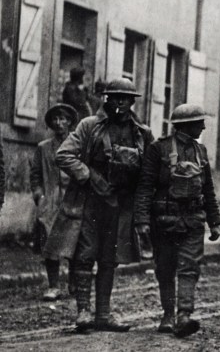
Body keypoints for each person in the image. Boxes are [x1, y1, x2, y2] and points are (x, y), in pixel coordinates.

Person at [47, 78, 153, 333]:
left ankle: (103, 314)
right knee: (84, 256)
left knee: (109, 259)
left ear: (132, 101)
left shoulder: (142, 133)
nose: (120, 102)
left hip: (121, 205)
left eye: (125, 98)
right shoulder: (89, 126)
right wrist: (90, 177)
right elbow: (64, 155)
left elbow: (150, 171)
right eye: (115, 97)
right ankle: (84, 311)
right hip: (90, 203)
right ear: (107, 98)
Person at [134, 104, 220, 337]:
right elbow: (145, 186)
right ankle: (168, 315)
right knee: (165, 268)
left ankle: (184, 315)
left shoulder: (201, 151)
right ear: (186, 125)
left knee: (189, 267)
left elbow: (208, 189)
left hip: (193, 220)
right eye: (199, 123)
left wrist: (214, 221)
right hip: (164, 221)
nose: (203, 127)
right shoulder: (158, 149)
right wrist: (142, 220)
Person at [30, 104, 78, 301]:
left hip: (73, 201)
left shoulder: (78, 145)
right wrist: (39, 195)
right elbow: (35, 175)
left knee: (74, 242)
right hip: (50, 202)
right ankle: (53, 286)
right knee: (50, 243)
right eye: (55, 119)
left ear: (69, 122)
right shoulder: (43, 148)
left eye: (63, 119)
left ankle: (74, 282)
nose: (59, 123)